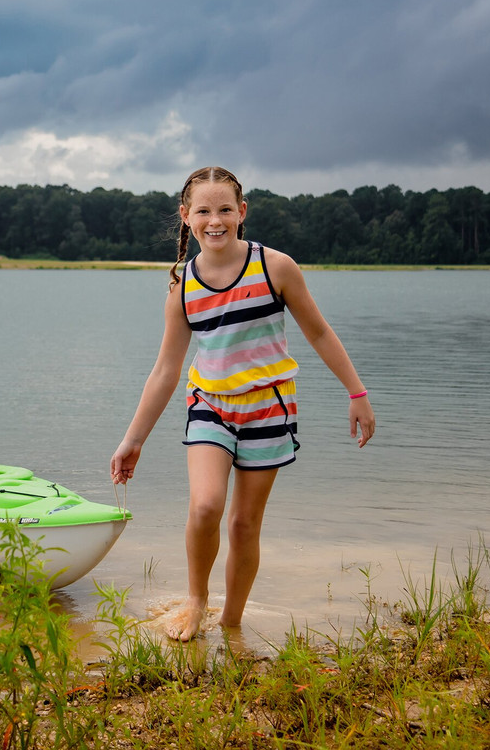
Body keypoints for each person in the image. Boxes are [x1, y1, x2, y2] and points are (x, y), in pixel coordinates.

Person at [110, 166, 375, 641]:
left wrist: (357, 393)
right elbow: (166, 371)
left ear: (242, 212)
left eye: (225, 209)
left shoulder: (276, 267)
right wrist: (134, 440)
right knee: (207, 506)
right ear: (186, 216)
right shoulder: (182, 289)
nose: (216, 220)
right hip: (210, 405)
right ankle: (196, 601)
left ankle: (231, 623)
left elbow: (318, 332)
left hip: (268, 410)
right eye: (204, 210)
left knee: (244, 523)